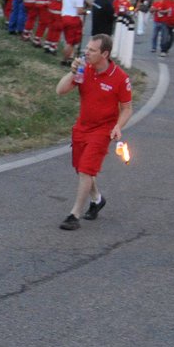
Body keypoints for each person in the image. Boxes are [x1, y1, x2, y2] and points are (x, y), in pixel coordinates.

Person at [55, 33, 132, 230]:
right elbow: (60, 91)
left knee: (86, 170)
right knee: (81, 169)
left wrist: (117, 126)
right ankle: (97, 199)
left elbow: (127, 108)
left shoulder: (120, 78)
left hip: (102, 130)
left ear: (104, 54)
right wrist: (72, 72)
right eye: (87, 48)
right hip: (82, 127)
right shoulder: (84, 69)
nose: (86, 53)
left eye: (92, 50)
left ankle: (74, 215)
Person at [56, 0, 86, 64]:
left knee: (67, 40)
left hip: (64, 15)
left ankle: (69, 57)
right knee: (71, 42)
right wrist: (87, 11)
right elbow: (79, 11)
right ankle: (65, 60)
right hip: (73, 18)